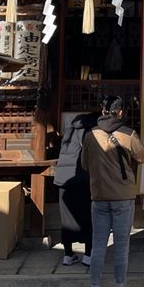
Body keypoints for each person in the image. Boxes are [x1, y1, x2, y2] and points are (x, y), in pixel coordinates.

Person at [80, 94, 144, 287]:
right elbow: (143, 157)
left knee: (98, 244)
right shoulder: (128, 134)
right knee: (121, 245)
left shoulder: (91, 136)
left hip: (99, 196)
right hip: (123, 196)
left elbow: (84, 165)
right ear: (120, 112)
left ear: (102, 110)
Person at [53, 109, 97, 267]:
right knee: (88, 217)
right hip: (82, 179)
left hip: (63, 180)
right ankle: (88, 255)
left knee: (67, 220)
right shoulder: (91, 133)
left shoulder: (69, 131)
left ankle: (68, 255)